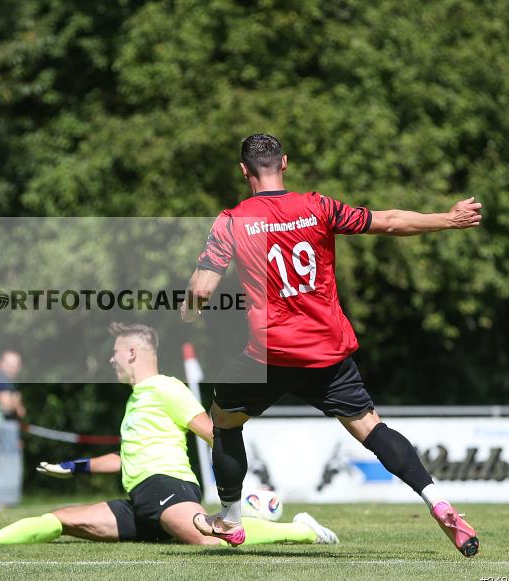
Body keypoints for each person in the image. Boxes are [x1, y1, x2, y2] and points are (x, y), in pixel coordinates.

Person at [181, 133, 481, 556]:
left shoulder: (232, 220)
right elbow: (392, 222)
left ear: (244, 170)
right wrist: (449, 219)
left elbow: (204, 289)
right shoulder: (319, 206)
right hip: (327, 353)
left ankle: (230, 518)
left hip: (271, 354)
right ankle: (438, 500)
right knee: (372, 430)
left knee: (224, 421)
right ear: (284, 163)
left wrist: (190, 307)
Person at [0, 322, 337, 548]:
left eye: (115, 352)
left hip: (168, 488)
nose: (111, 359)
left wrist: (238, 486)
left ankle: (302, 530)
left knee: (211, 540)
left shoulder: (166, 387)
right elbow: (124, 459)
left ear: (132, 353)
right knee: (60, 519)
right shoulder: (136, 401)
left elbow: (216, 433)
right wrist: (72, 467)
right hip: (138, 500)